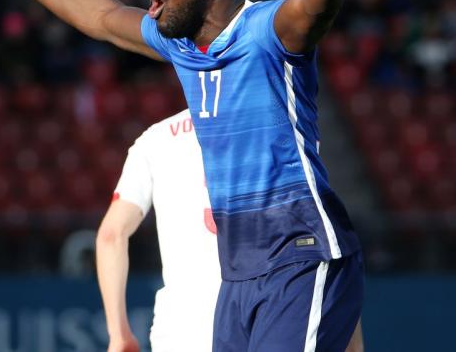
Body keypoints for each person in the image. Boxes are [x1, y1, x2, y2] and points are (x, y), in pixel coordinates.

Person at [0, 0, 370, 351]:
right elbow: (102, 17)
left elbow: (316, 7)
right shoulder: (181, 45)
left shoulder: (267, 30)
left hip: (299, 254)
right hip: (238, 272)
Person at [95, 109, 365, 352]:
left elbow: (111, 235)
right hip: (269, 312)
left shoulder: (154, 140)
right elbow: (323, 230)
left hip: (179, 328)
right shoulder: (280, 127)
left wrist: (118, 334)